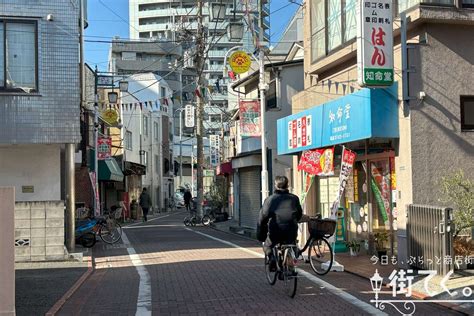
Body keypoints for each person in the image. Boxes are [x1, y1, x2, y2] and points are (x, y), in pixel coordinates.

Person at [257, 176, 303, 271]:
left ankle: (272, 258)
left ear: (275, 185)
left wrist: (261, 233)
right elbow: (299, 214)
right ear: (288, 185)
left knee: (268, 245)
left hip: (276, 230)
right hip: (291, 230)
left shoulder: (270, 200)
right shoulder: (294, 198)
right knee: (292, 243)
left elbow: (262, 218)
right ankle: (291, 263)